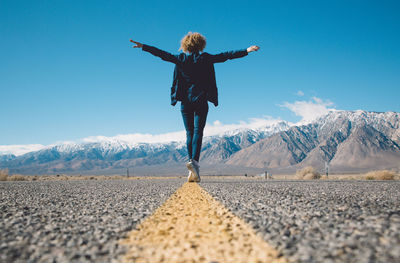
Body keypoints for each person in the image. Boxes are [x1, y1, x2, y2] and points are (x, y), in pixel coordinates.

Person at [130, 32, 259, 182]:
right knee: (198, 131)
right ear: (201, 44)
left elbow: (162, 55)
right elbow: (226, 56)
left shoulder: (180, 59)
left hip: (185, 102)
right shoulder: (206, 58)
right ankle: (194, 163)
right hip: (200, 101)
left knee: (189, 132)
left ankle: (192, 164)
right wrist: (246, 50)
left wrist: (144, 47)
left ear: (185, 45)